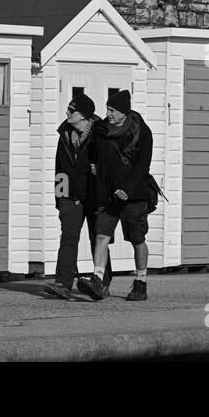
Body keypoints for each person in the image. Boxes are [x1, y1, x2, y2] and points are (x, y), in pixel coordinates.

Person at [76, 89, 154, 303]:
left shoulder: (142, 132)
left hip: (134, 196)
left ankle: (140, 283)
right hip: (107, 196)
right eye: (107, 109)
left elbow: (142, 167)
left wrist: (127, 189)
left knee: (137, 239)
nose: (108, 113)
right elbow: (93, 151)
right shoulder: (102, 130)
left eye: (112, 110)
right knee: (101, 235)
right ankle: (97, 280)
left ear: (124, 112)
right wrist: (94, 168)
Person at [43, 93, 112, 301]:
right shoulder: (64, 133)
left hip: (94, 197)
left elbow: (110, 164)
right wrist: (60, 199)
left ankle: (102, 283)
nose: (67, 113)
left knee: (97, 239)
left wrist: (100, 173)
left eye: (71, 111)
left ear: (84, 116)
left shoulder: (100, 134)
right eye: (68, 109)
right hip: (70, 197)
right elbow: (60, 169)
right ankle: (63, 283)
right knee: (69, 238)